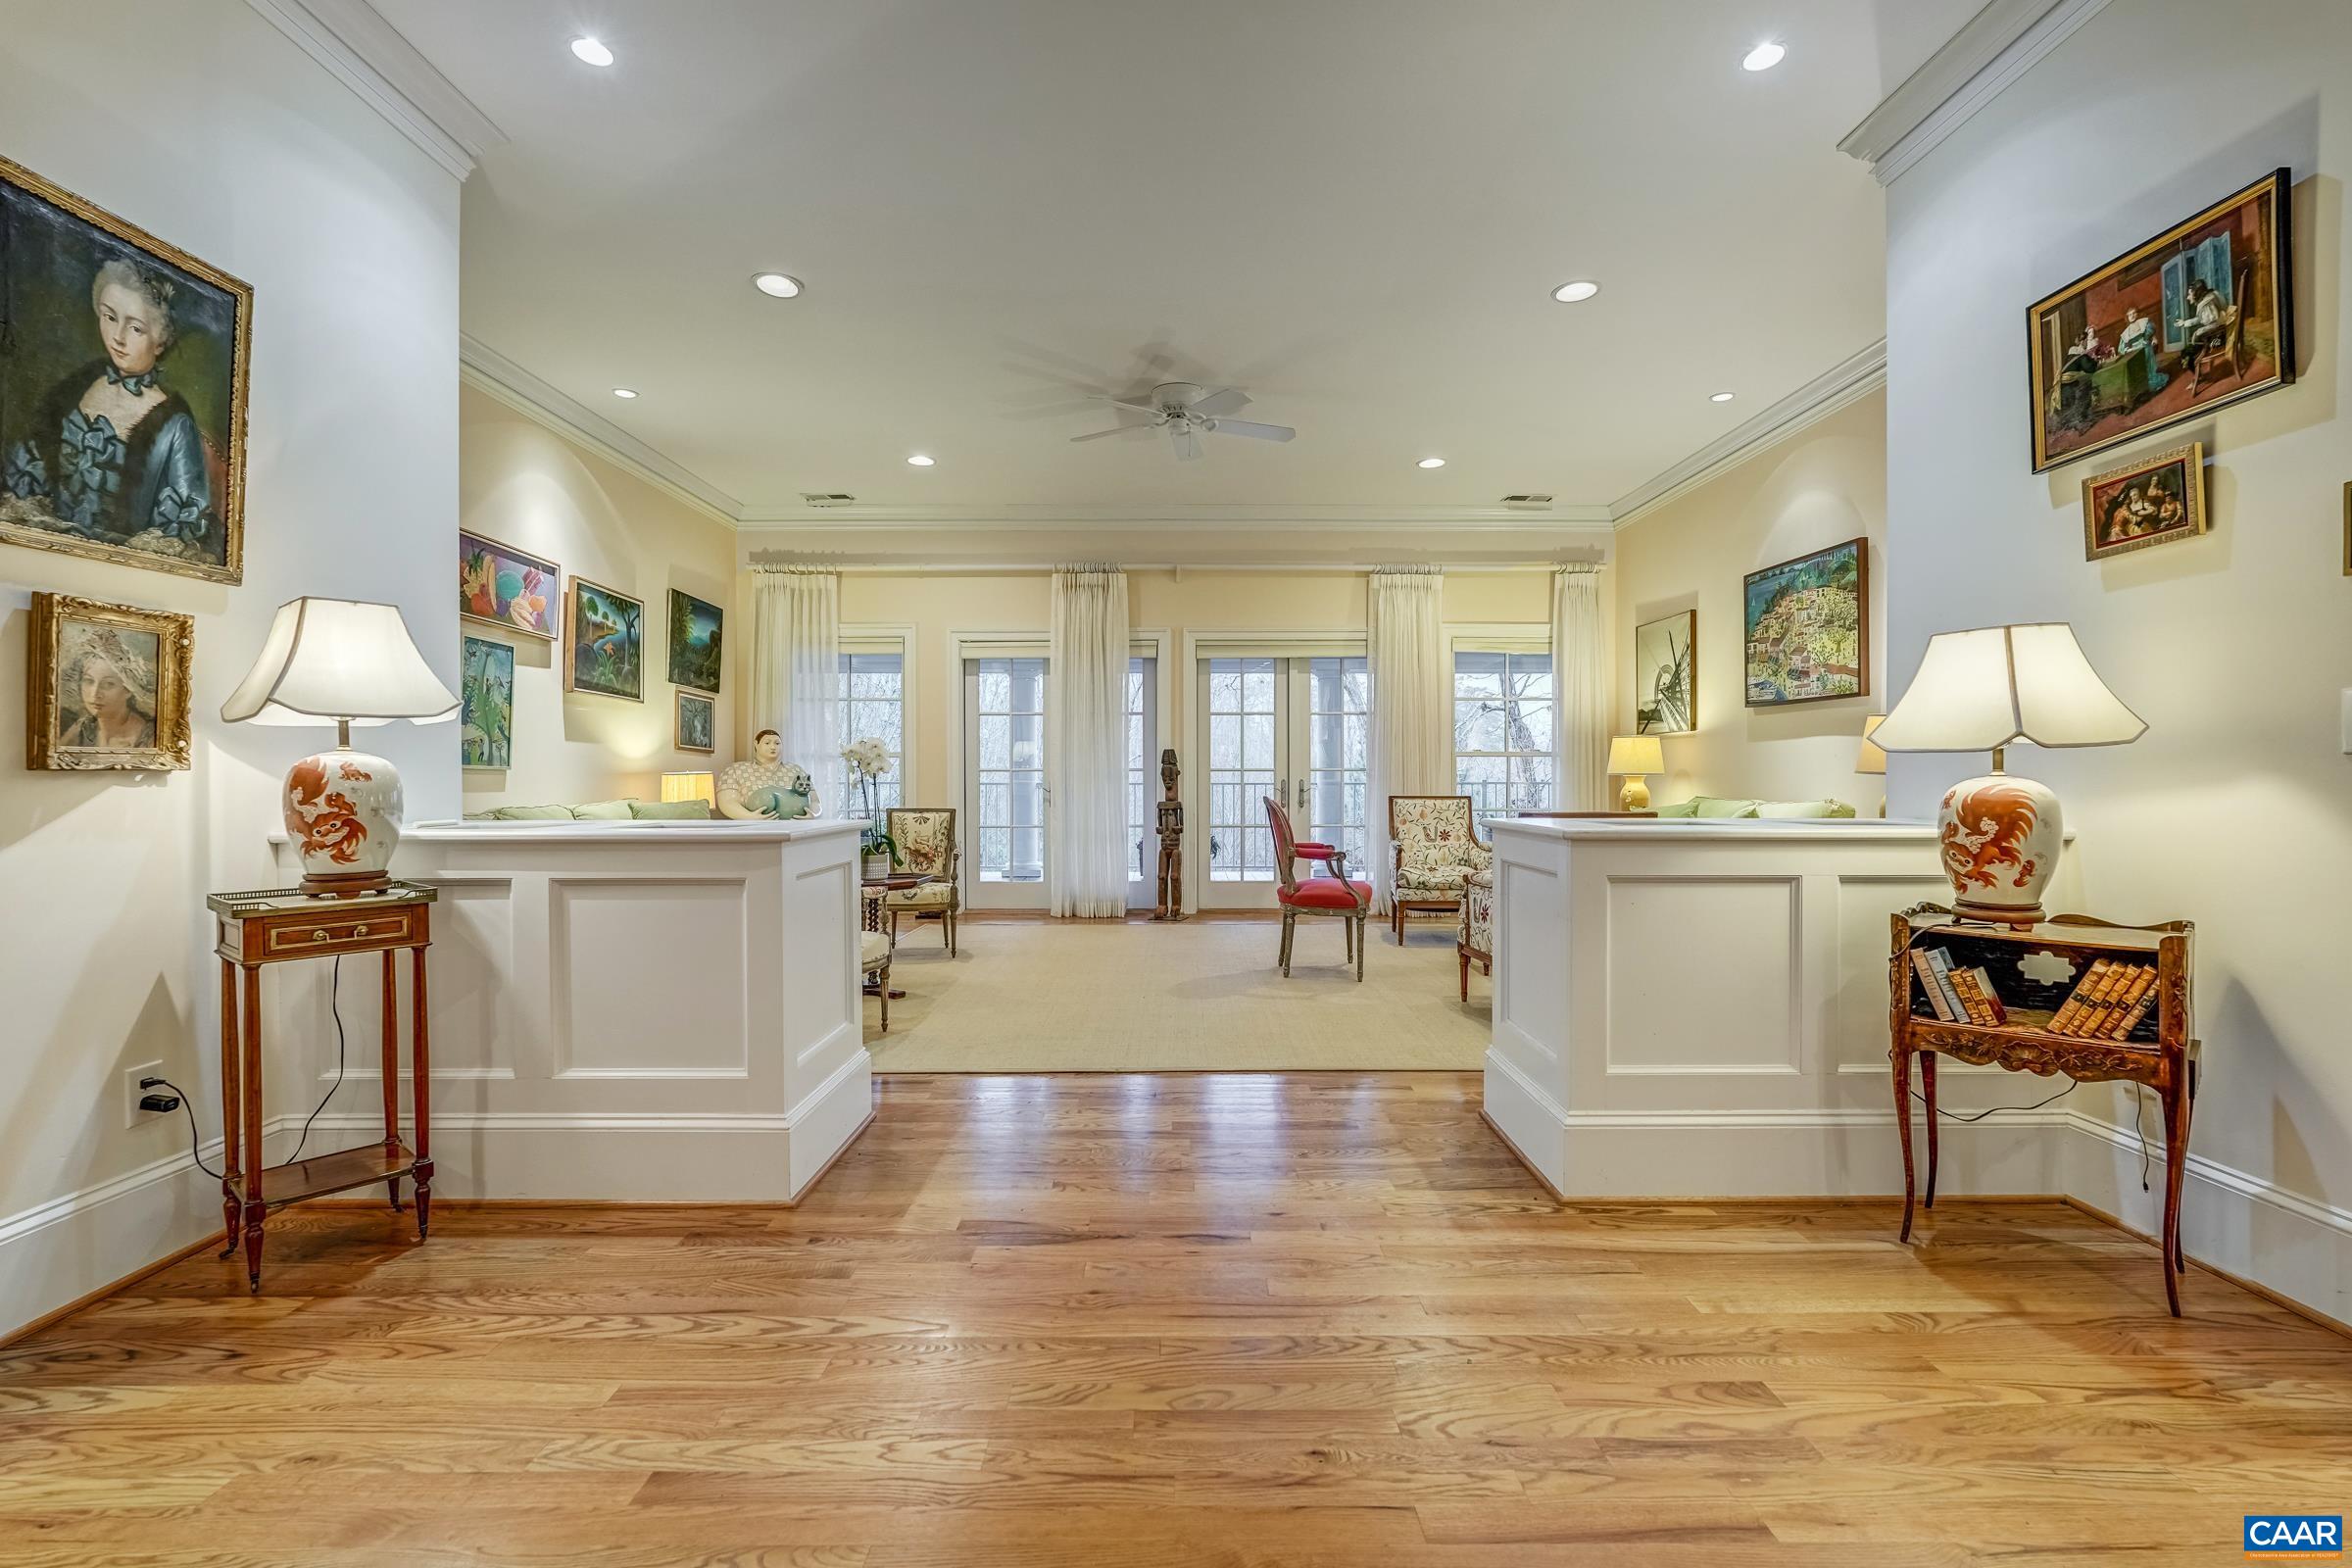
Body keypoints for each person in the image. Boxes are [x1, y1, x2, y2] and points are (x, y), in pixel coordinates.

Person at [3, 258, 218, 554]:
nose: (118, 338)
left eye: (136, 329)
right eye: (110, 317)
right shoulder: (71, 390)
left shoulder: (175, 422)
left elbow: (183, 518)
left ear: (160, 341)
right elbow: (31, 474)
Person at [61, 629, 158, 750]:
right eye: (89, 681)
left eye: (108, 684)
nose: (95, 693)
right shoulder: (83, 728)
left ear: (128, 690)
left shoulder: (150, 736)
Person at [717, 728, 815, 820]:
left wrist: (813, 814)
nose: (773, 747)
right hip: (753, 831)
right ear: (756, 744)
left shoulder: (796, 770)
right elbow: (727, 801)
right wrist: (750, 817)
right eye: (767, 743)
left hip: (794, 829)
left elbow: (814, 800)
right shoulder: (735, 770)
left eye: (777, 743)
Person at [2114, 305, 2170, 395]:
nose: (2132, 316)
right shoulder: (2126, 332)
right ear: (2127, 317)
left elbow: (2150, 331)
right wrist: (2127, 350)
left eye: (2134, 313)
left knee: (2148, 365)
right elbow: (2121, 348)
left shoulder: (2144, 322)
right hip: (2135, 351)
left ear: (2137, 314)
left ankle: (2152, 383)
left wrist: (2148, 339)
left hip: (2146, 347)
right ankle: (2142, 386)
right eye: (2130, 315)